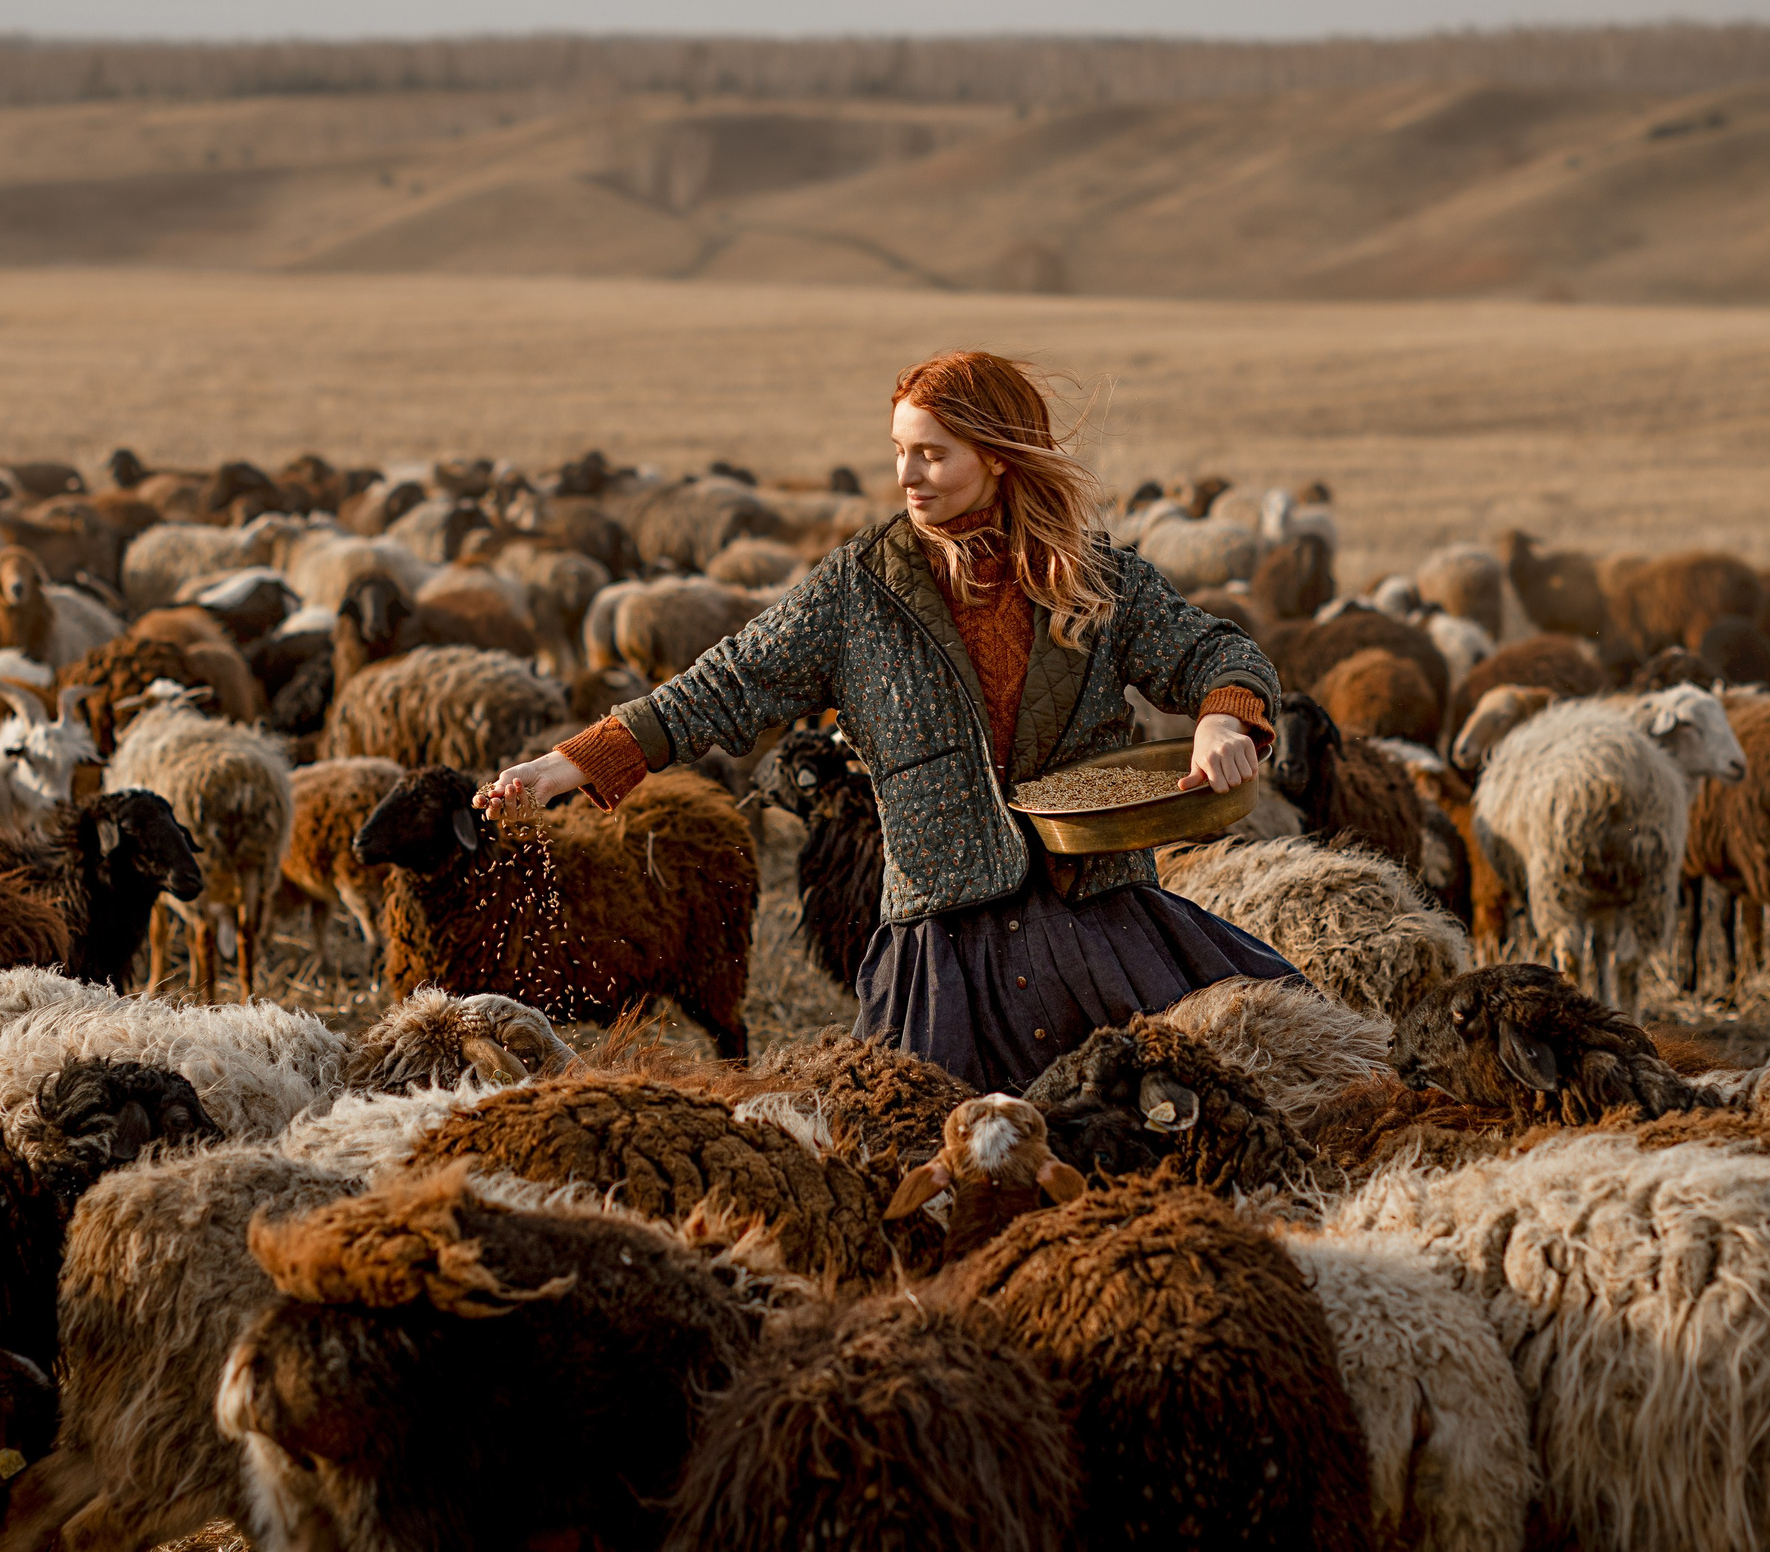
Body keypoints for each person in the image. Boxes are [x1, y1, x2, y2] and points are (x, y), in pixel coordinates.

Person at [482, 350, 1303, 1090]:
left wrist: (1223, 720)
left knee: (1198, 1119)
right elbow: (722, 685)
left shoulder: (1094, 578)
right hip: (941, 955)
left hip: (1098, 926)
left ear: (997, 455)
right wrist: (569, 764)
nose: (908, 475)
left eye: (932, 453)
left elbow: (1216, 653)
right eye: (899, 452)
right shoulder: (855, 590)